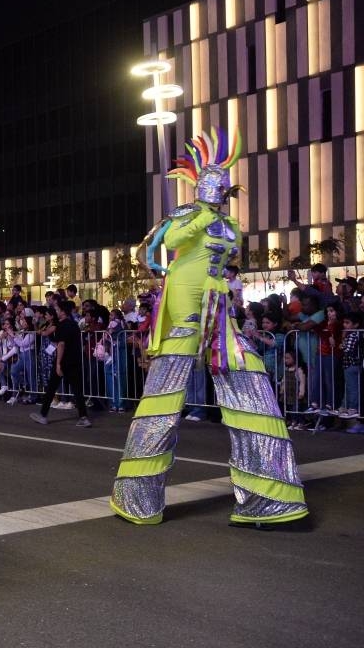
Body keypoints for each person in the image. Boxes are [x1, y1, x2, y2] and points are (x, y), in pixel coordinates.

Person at [109, 127, 307, 526]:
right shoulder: (189, 214)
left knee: (248, 373)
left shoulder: (230, 225)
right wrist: (199, 216)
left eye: (221, 185)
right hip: (185, 296)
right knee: (166, 387)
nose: (216, 190)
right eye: (210, 184)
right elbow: (171, 242)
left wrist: (212, 223)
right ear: (200, 187)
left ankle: (271, 496)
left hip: (218, 302)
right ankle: (137, 498)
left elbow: (230, 254)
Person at [29, 299, 91, 427]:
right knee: (77, 390)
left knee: (51, 388)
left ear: (63, 312)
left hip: (64, 361)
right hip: (75, 360)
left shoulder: (62, 325)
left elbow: (61, 344)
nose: (56, 312)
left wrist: (58, 363)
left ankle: (43, 415)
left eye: (57, 310)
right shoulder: (74, 325)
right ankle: (83, 417)